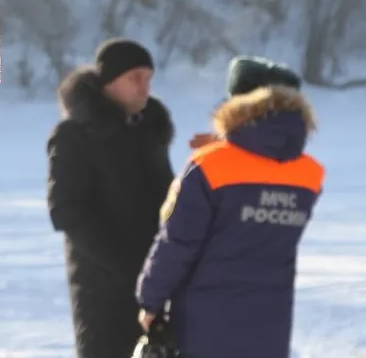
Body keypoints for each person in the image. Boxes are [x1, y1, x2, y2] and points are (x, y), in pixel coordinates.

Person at [135, 56, 324, 358]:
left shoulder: (207, 166)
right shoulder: (309, 174)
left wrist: (150, 299)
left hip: (203, 321)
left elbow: (178, 241)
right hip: (270, 320)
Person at [47, 39, 176, 358]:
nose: (144, 88)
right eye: (135, 78)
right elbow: (67, 210)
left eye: (148, 78)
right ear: (108, 82)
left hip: (157, 282)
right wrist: (126, 265)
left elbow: (168, 202)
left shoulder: (150, 132)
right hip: (101, 287)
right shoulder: (74, 135)